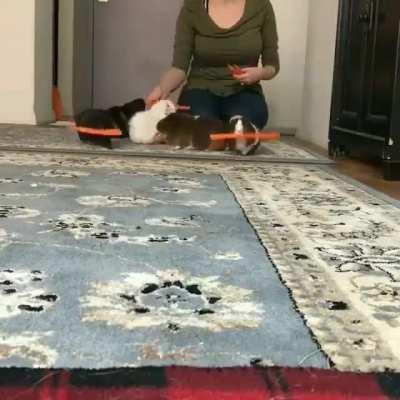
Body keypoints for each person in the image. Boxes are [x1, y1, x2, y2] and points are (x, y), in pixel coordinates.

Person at [147, 0, 279, 130]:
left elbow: (272, 64)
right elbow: (179, 67)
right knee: (203, 128)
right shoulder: (192, 7)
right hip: (200, 89)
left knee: (241, 126)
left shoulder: (261, 6)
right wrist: (163, 88)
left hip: (244, 91)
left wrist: (260, 73)